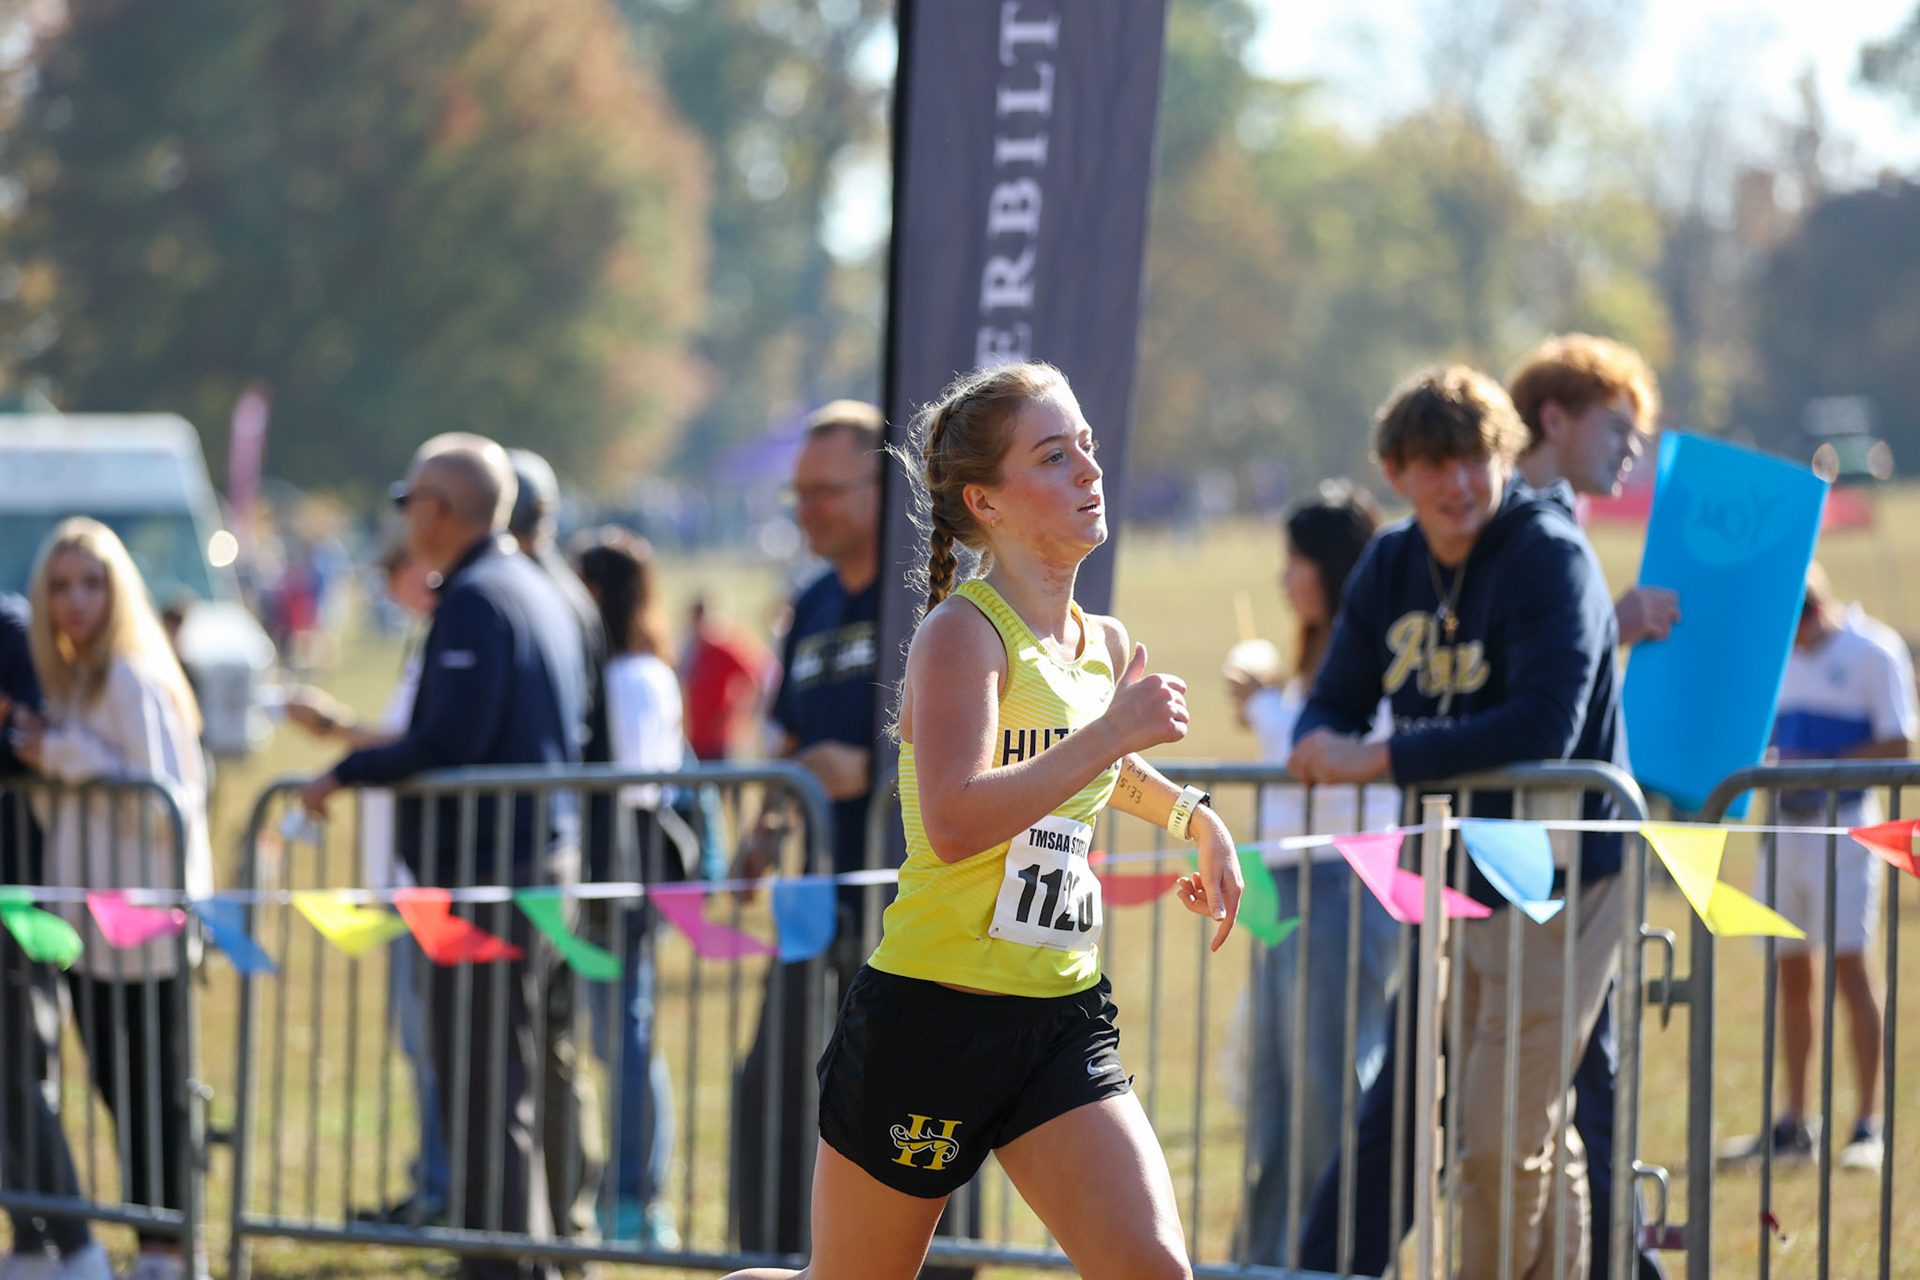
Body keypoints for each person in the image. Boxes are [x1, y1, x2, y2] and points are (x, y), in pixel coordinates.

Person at [719, 359, 1243, 1280]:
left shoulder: (1101, 642)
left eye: (1085, 445)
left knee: (1154, 1269)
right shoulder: (962, 635)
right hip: (932, 1023)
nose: (1088, 469)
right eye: (1052, 455)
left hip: (1057, 1021)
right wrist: (1114, 728)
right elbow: (957, 819)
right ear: (986, 502)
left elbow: (1090, 772)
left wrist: (1195, 817)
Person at [1289, 366, 1628, 1280]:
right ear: (1397, 472)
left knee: (1492, 1137)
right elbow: (1336, 700)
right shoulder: (1391, 563)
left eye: (1476, 459)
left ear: (1505, 457)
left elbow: (1543, 727)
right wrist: (1318, 736)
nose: (1461, 484)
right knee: (1517, 1132)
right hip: (1452, 879)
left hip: (1564, 876)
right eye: (1435, 464)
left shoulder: (1545, 552)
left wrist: (1384, 757)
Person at [300, 433, 587, 1280]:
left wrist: (343, 768)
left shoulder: (474, 597)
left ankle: (500, 1268)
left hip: (488, 875)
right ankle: (525, 1259)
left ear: (435, 510)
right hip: (534, 863)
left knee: (481, 1091)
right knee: (510, 1087)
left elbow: (446, 741)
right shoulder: (527, 583)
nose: (403, 515)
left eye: (408, 500)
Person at [1508, 331, 1671, 1279]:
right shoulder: (1514, 521)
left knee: (1587, 1078)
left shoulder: (1561, 515)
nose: (1633, 450)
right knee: (1440, 1095)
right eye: (1620, 426)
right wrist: (1615, 622)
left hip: (1583, 853)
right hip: (1526, 857)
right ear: (1556, 418)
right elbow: (1530, 682)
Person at [11, 519, 213, 1280]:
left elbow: (164, 805)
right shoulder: (73, 678)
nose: (74, 602)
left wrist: (61, 755)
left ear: (117, 589)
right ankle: (155, 1240)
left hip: (145, 926)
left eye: (90, 584)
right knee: (116, 1086)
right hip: (91, 930)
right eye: (60, 586)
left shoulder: (131, 674)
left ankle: (166, 1247)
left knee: (152, 1091)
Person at [727, 400, 893, 1258]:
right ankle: (780, 1258)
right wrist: (759, 834)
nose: (807, 511)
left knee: (903, 1092)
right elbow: (787, 738)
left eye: (826, 491)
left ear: (881, 482)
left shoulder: (928, 592)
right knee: (775, 1080)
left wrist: (880, 766)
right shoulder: (813, 602)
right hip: (813, 890)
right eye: (799, 493)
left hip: (909, 895)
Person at [1224, 481, 1399, 1265]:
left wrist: (1263, 708)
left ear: (1334, 566)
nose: (1285, 579)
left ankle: (1329, 1258)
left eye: (1297, 561)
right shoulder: (1314, 659)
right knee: (1273, 1102)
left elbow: (1339, 756)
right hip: (1281, 889)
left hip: (1346, 885)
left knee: (1328, 1097)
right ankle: (1266, 1260)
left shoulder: (1385, 653)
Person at [1719, 562, 1916, 1174]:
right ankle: (1795, 1123)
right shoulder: (1772, 656)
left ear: (1813, 607)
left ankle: (1868, 1125)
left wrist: (1818, 760)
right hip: (1782, 832)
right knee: (1791, 975)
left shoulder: (1874, 650)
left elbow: (1901, 743)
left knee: (1852, 971)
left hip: (1850, 832)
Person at [283, 538, 450, 1227]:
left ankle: (442, 1190)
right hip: (405, 878)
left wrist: (333, 730)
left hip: (429, 883)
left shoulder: (455, 630)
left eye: (397, 563)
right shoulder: (432, 638)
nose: (387, 580)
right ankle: (434, 1182)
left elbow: (415, 743)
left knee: (434, 1043)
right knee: (419, 1042)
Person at [572, 528, 689, 1248]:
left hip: (629, 874)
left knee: (628, 1037)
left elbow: (643, 780)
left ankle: (637, 1198)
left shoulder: (637, 674)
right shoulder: (617, 669)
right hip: (599, 877)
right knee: (615, 1038)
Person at [505, 447, 606, 1252]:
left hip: (557, 852)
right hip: (570, 849)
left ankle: (558, 1225)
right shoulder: (562, 592)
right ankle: (562, 1224)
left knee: (547, 1053)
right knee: (556, 1051)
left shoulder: (543, 596)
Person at [1, 590, 114, 1280]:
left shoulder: (12, 629)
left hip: (15, 900)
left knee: (17, 1072)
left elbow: (37, 745)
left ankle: (76, 1243)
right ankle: (30, 1238)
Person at [681, 596, 772, 763]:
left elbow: (758, 675)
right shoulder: (693, 650)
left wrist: (743, 714)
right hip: (695, 737)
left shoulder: (723, 647)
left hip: (718, 739)